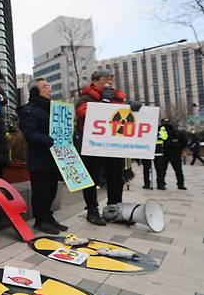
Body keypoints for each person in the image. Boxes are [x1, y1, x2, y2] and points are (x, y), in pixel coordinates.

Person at [75, 71, 141, 225]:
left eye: (111, 79)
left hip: (114, 146)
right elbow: (82, 113)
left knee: (117, 178)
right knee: (92, 179)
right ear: (95, 82)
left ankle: (114, 210)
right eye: (105, 79)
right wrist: (103, 103)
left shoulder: (118, 99)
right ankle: (92, 210)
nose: (109, 82)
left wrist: (133, 108)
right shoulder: (86, 98)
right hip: (94, 146)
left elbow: (122, 116)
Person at [17, 78, 67, 234]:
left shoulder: (53, 108)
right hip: (39, 159)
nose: (49, 89)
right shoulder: (29, 110)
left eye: (49, 86)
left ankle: (48, 217)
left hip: (54, 158)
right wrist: (51, 140)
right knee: (41, 191)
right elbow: (30, 134)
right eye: (45, 87)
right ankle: (40, 221)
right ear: (35, 91)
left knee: (52, 190)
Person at [157, 118, 188, 189]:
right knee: (174, 170)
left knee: (164, 170)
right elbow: (185, 142)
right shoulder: (175, 132)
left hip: (170, 153)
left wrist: (179, 149)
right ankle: (180, 184)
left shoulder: (176, 132)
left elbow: (184, 141)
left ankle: (161, 184)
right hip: (170, 153)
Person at [142, 124, 168, 189]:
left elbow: (165, 137)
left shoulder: (161, 127)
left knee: (159, 169)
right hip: (147, 149)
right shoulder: (146, 125)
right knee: (146, 168)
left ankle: (160, 184)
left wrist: (157, 135)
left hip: (158, 151)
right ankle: (147, 184)